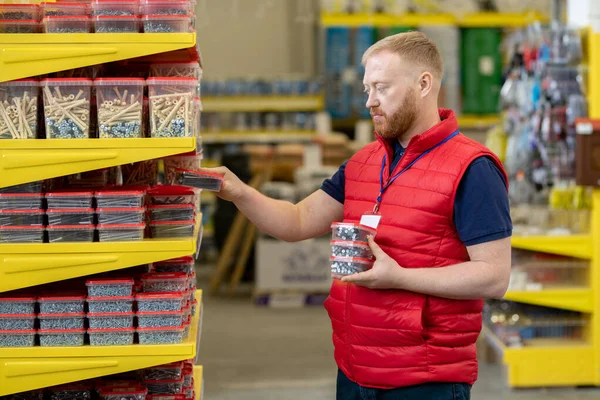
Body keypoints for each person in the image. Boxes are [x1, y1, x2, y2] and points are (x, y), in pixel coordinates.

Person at [202, 32, 512, 400]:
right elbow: (298, 221)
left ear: (424, 84)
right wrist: (238, 192)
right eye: (367, 88)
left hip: (424, 380)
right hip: (354, 370)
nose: (369, 102)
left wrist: (401, 277)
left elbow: (494, 276)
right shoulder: (365, 162)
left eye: (381, 88)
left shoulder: (472, 168)